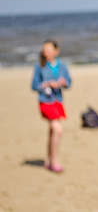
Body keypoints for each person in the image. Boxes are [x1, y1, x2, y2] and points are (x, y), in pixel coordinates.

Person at [31, 40, 71, 173]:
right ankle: (55, 161)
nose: (46, 52)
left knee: (52, 131)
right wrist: (46, 84)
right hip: (45, 101)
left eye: (48, 50)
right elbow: (34, 85)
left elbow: (69, 82)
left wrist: (63, 83)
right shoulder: (39, 66)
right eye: (44, 50)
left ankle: (48, 160)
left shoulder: (62, 66)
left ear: (56, 51)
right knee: (57, 129)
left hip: (57, 100)